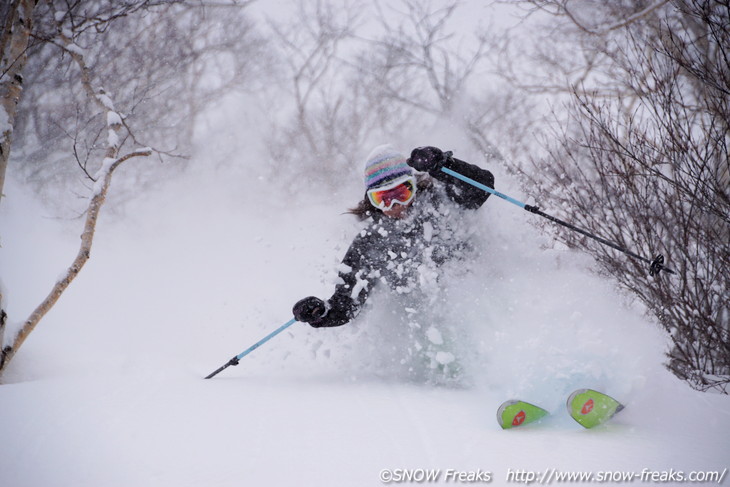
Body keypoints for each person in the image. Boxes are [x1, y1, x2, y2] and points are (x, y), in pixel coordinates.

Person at [292, 145, 495, 332]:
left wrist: (444, 165)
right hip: (429, 325)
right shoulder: (370, 243)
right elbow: (346, 305)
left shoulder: (441, 201)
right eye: (384, 199)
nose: (396, 204)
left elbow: (483, 187)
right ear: (372, 202)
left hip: (478, 298)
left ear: (414, 186)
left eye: (402, 193)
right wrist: (322, 313)